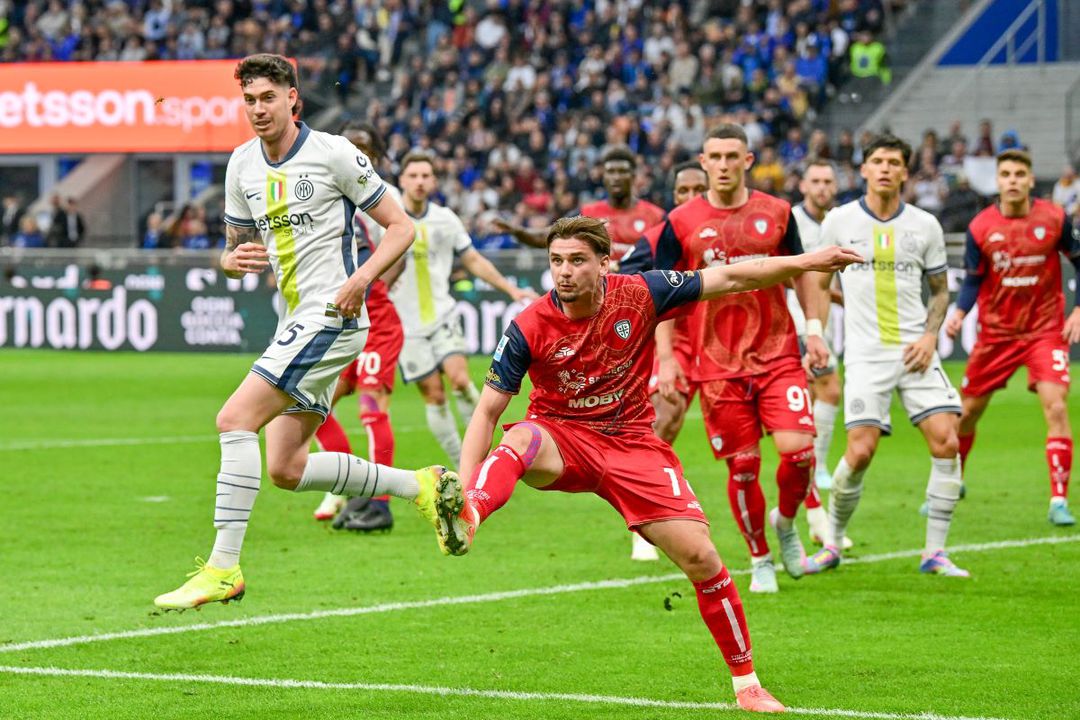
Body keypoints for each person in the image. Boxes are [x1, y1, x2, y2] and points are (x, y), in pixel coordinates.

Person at [435, 216, 860, 713]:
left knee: (702, 559)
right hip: (562, 436)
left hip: (633, 446)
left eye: (577, 260)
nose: (564, 272)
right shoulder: (528, 326)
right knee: (522, 436)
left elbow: (732, 276)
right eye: (556, 261)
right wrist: (465, 489)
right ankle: (471, 514)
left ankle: (748, 685)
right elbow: (487, 413)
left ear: (604, 263)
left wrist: (807, 261)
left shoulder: (642, 293)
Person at [154, 54, 462, 611]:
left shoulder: (333, 153)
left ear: (293, 98)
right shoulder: (241, 164)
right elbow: (233, 250)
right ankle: (418, 485)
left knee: (233, 419)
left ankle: (222, 568)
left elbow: (401, 228)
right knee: (286, 468)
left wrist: (361, 279)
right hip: (294, 319)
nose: (258, 109)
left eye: (268, 98)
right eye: (249, 100)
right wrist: (231, 261)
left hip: (333, 316)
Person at [653, 124, 828, 594]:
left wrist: (814, 331)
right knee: (744, 466)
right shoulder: (681, 221)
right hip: (715, 365)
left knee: (799, 452)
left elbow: (803, 272)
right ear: (703, 162)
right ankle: (761, 557)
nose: (725, 164)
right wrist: (665, 358)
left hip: (777, 354)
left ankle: (785, 521)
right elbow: (661, 293)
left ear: (748, 160)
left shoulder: (777, 212)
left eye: (733, 156)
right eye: (716, 156)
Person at [804, 133, 968, 578]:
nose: (885, 169)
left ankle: (935, 552)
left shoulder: (925, 225)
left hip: (916, 351)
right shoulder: (839, 221)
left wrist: (931, 337)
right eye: (877, 161)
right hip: (865, 354)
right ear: (864, 169)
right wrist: (816, 334)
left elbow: (940, 290)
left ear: (905, 172)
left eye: (894, 163)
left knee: (947, 441)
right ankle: (833, 542)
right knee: (860, 453)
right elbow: (819, 284)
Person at [945, 149, 1080, 527]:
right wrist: (960, 313)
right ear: (998, 181)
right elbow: (973, 280)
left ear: (1031, 180)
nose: (1013, 180)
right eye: (1006, 174)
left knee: (1056, 407)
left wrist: (1078, 310)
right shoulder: (980, 227)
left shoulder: (1055, 218)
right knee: (967, 413)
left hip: (1044, 331)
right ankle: (954, 480)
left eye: (1020, 174)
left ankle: (1058, 500)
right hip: (997, 335)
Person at [390, 150, 536, 467]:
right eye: (413, 176)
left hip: (442, 315)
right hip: (405, 325)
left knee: (459, 379)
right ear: (402, 180)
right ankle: (464, 466)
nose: (419, 181)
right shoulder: (387, 217)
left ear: (434, 181)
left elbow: (472, 259)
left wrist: (510, 288)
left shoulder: (445, 219)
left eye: (425, 176)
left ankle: (479, 456)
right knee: (434, 395)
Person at [310, 120, 408, 532]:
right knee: (311, 408)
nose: (355, 152)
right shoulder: (327, 190)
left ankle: (379, 504)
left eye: (363, 147)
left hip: (376, 318)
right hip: (342, 322)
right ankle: (353, 488)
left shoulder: (380, 195)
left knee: (372, 410)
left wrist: (371, 285)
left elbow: (400, 243)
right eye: (349, 145)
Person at [619, 159, 708, 562]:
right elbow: (623, 281)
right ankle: (644, 520)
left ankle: (809, 518)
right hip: (676, 340)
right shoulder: (658, 238)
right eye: (682, 191)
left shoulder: (732, 231)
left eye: (698, 190)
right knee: (664, 420)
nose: (690, 198)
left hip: (729, 342)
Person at [783, 159, 851, 549]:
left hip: (818, 326)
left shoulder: (838, 223)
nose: (823, 187)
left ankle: (815, 479)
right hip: (793, 322)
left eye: (828, 181)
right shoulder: (791, 221)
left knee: (827, 393)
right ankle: (811, 495)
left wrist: (839, 297)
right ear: (803, 186)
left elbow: (823, 280)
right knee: (812, 402)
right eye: (816, 181)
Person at [495, 145, 665, 261]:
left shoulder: (656, 216)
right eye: (611, 172)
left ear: (633, 176)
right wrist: (518, 232)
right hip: (599, 297)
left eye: (622, 171)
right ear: (603, 177)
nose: (616, 177)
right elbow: (548, 236)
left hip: (641, 296)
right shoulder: (587, 213)